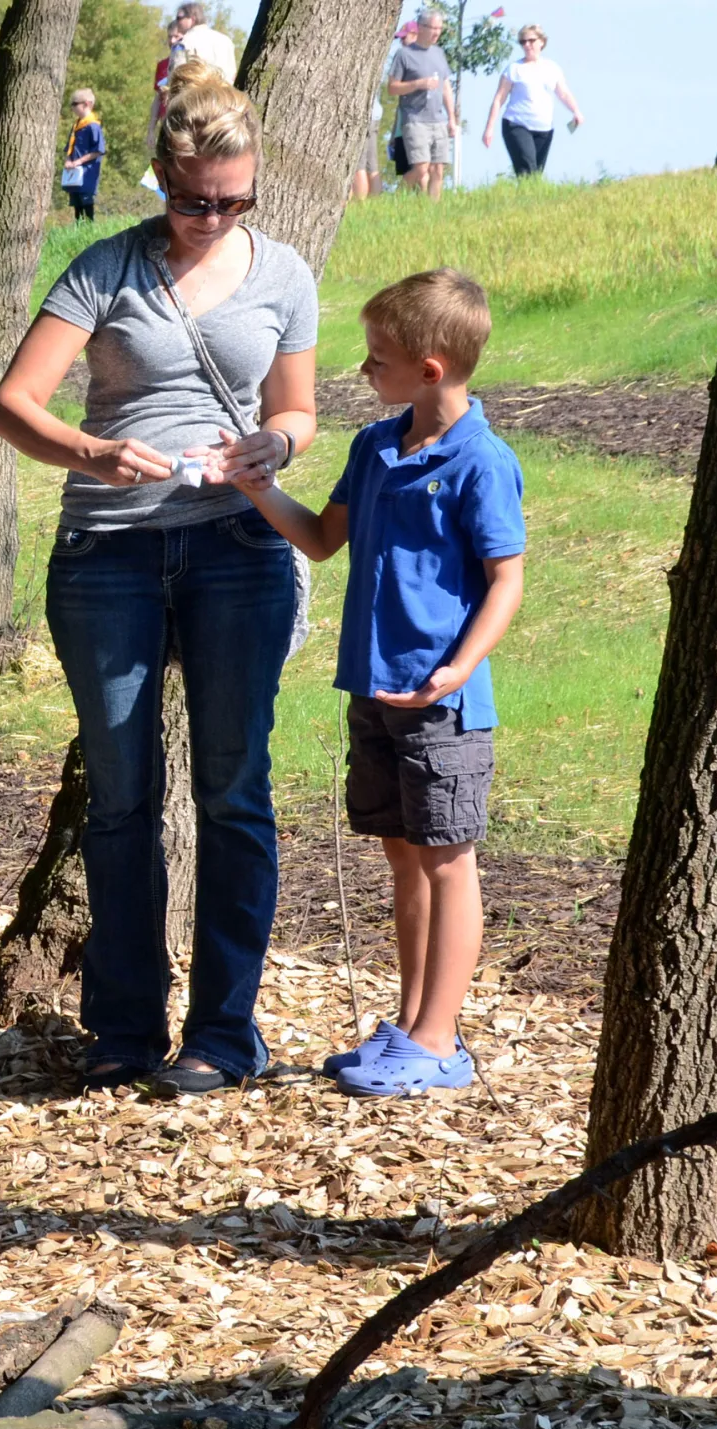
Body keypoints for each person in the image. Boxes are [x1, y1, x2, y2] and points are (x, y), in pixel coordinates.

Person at [0, 60, 318, 1098]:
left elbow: (299, 411)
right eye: (189, 201)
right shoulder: (103, 268)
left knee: (232, 792)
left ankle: (224, 1033)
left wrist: (273, 442)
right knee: (123, 798)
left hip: (236, 547)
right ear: (159, 179)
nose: (209, 219)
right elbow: (13, 406)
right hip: (110, 552)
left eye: (230, 202)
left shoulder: (284, 273)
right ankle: (122, 1027)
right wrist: (91, 453)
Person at [223, 270, 526, 1097]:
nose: (364, 370)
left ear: (430, 369)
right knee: (403, 857)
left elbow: (506, 579)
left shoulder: (481, 464)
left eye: (378, 359)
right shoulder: (374, 448)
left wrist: (457, 670)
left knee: (448, 861)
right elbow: (322, 540)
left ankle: (439, 1038)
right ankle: (409, 1025)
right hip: (374, 692)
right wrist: (260, 487)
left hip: (444, 707)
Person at [483, 26, 581, 178]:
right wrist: (489, 128)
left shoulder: (552, 68)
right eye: (523, 42)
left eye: (531, 41)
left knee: (535, 175)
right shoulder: (514, 69)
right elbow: (498, 100)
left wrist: (576, 111)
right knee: (526, 170)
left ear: (541, 42)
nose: (527, 45)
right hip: (517, 124)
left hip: (544, 129)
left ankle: (529, 201)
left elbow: (564, 93)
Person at [386, 9, 457, 197]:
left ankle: (434, 212)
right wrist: (418, 84)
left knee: (438, 170)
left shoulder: (439, 53)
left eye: (439, 28)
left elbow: (446, 87)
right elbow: (392, 88)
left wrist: (451, 118)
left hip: (438, 119)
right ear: (420, 27)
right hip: (414, 118)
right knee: (421, 168)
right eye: (432, 28)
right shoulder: (404, 54)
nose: (436, 32)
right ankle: (396, 201)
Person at [148, 4, 237, 146]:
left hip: (193, 113)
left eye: (179, 18)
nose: (177, 21)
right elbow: (232, 75)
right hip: (224, 114)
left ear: (192, 18)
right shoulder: (225, 41)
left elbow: (175, 81)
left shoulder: (184, 43)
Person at [62, 88, 106, 222]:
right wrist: (68, 160)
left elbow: (98, 150)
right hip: (74, 173)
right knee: (76, 204)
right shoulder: (76, 125)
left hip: (87, 172)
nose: (72, 108)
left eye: (75, 104)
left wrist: (79, 162)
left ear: (86, 104)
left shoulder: (93, 126)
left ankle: (89, 229)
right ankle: (78, 231)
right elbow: (70, 147)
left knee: (86, 202)